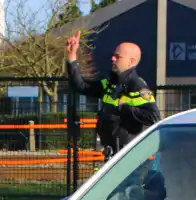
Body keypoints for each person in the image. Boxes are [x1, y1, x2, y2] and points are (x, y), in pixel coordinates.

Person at [66, 31, 161, 160]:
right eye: (113, 56)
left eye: (118, 57)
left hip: (129, 155)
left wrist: (124, 108)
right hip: (112, 153)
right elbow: (81, 86)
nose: (113, 59)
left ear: (131, 62)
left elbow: (153, 117)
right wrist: (72, 57)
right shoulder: (110, 83)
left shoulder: (137, 86)